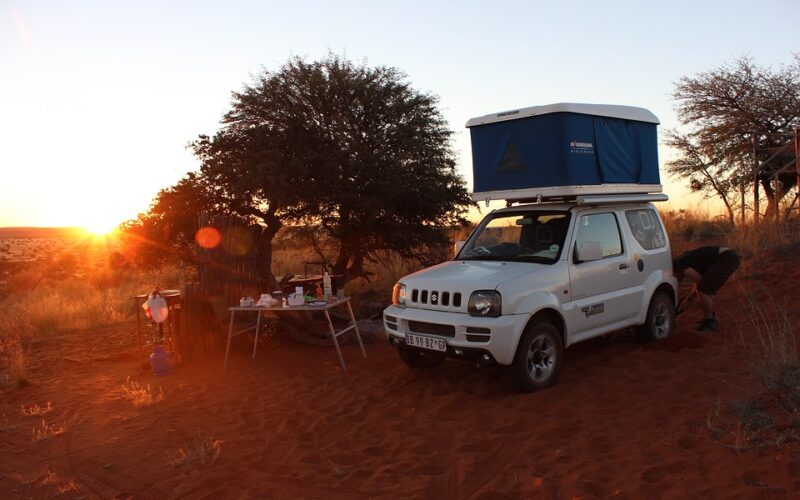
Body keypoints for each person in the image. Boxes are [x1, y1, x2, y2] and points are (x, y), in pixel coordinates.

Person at [673, 246, 740, 331]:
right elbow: (702, 283)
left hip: (727, 258)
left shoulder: (681, 265)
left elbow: (701, 284)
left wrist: (689, 299)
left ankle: (710, 322)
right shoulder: (681, 260)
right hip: (729, 256)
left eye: (674, 276)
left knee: (704, 290)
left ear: (674, 271)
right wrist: (689, 299)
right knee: (704, 289)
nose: (677, 280)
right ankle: (709, 317)